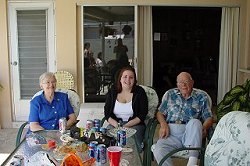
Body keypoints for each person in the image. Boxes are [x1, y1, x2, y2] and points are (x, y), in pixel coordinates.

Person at [153, 72, 213, 166]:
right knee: (159, 149)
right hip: (170, 133)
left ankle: (192, 163)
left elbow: (209, 117)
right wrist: (163, 125)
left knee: (195, 122)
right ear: (177, 84)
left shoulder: (201, 96)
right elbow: (160, 113)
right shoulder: (170, 94)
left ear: (192, 82)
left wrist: (204, 127)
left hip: (190, 132)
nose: (184, 85)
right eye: (181, 82)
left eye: (186, 82)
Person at [104, 66, 148, 152]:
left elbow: (142, 114)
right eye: (125, 77)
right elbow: (107, 113)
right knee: (107, 141)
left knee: (128, 143)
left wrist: (126, 126)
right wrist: (117, 125)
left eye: (131, 77)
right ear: (120, 79)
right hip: (115, 124)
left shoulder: (140, 92)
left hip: (135, 125)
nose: (128, 80)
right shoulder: (113, 91)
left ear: (134, 80)